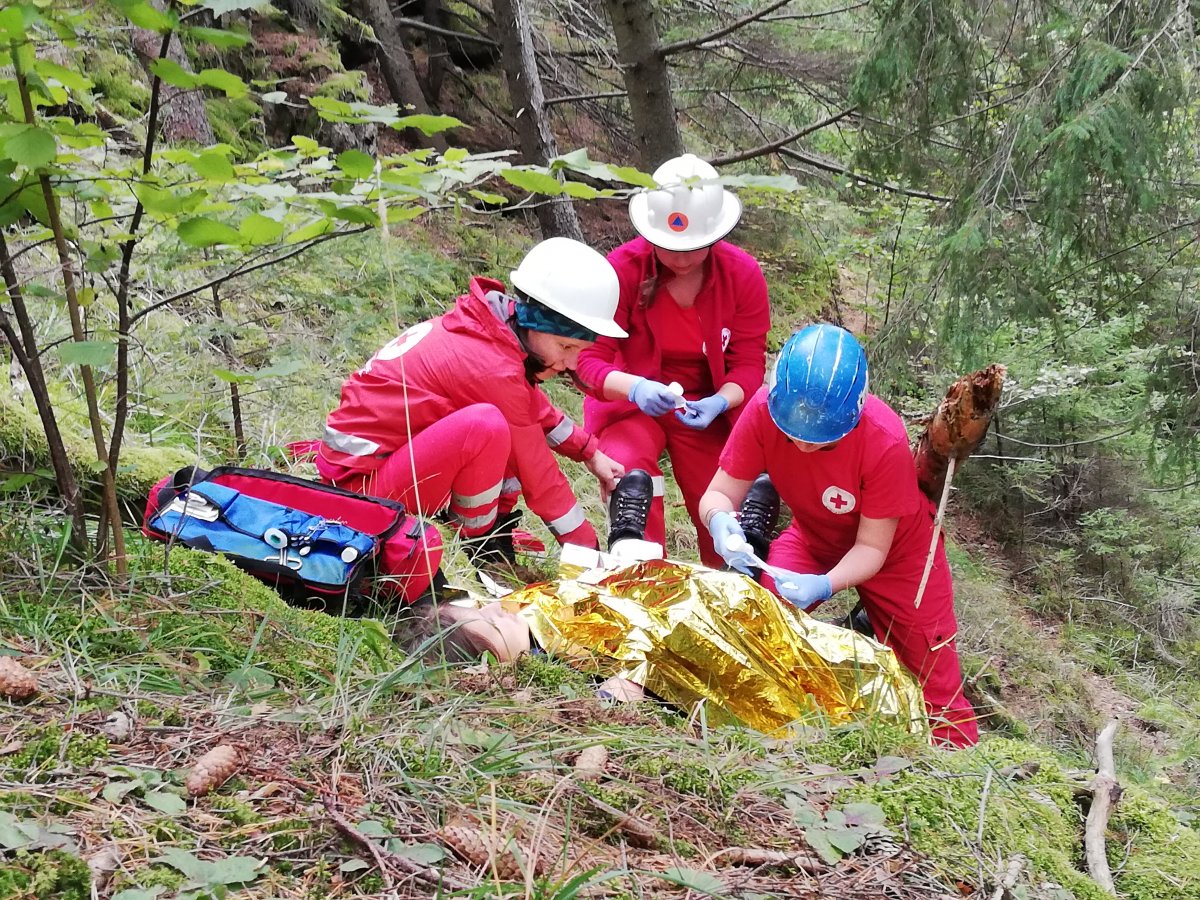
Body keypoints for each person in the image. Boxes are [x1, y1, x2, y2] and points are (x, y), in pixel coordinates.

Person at [697, 324, 979, 748]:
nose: (804, 447)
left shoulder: (882, 439)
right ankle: (757, 726)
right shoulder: (763, 411)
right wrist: (720, 521)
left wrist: (826, 583)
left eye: (823, 442)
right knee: (760, 622)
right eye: (793, 434)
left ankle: (959, 764)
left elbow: (872, 548)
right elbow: (719, 492)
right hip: (815, 537)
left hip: (901, 555)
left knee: (934, 675)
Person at [315, 237, 627, 557]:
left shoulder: (493, 331)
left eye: (581, 351)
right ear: (534, 322)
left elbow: (529, 408)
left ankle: (496, 525)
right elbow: (539, 473)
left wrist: (590, 452)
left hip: (371, 470)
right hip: (359, 495)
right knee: (488, 425)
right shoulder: (491, 368)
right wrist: (588, 550)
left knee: (504, 425)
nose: (572, 364)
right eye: (565, 347)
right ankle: (479, 546)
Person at [575, 153, 770, 567]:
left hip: (704, 411)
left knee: (718, 501)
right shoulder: (624, 270)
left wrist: (721, 401)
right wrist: (637, 388)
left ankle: (728, 591)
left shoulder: (742, 275)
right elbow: (589, 362)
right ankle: (644, 574)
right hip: (630, 405)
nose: (681, 259)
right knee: (633, 478)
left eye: (694, 248)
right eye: (668, 247)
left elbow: (748, 365)